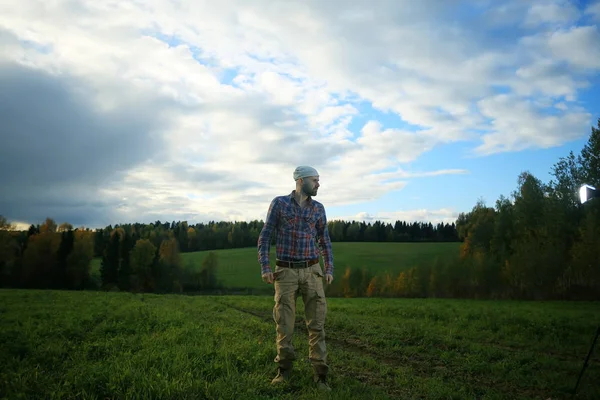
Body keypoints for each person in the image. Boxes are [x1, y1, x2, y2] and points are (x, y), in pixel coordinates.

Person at [257, 165, 334, 391]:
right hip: (285, 272)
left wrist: (328, 268)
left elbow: (325, 240)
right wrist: (265, 267)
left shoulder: (319, 208)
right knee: (285, 326)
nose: (319, 184)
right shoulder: (279, 204)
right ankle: (284, 372)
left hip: (312, 272)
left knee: (317, 325)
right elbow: (265, 236)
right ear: (301, 181)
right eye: (315, 180)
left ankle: (320, 376)